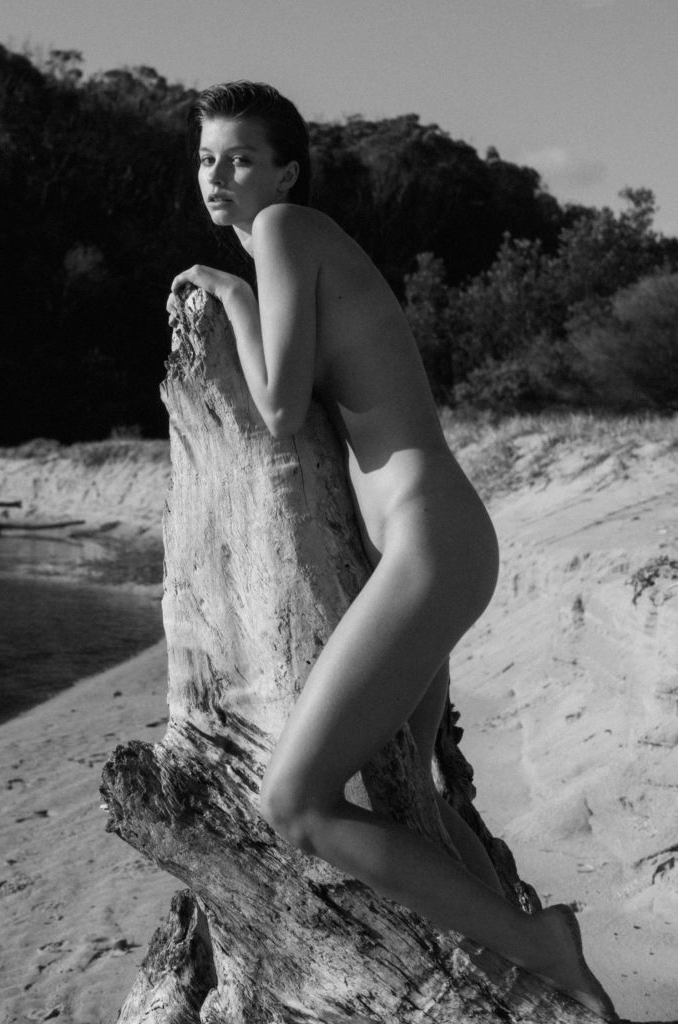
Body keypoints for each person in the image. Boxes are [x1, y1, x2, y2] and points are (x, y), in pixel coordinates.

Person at [170, 81, 616, 1021]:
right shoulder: (299, 240)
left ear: (285, 171)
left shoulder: (284, 230)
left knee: (295, 802)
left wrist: (230, 294)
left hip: (427, 544)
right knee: (408, 791)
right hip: (431, 541)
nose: (218, 175)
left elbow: (278, 408)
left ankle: (542, 946)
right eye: (206, 158)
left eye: (241, 157)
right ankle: (541, 991)